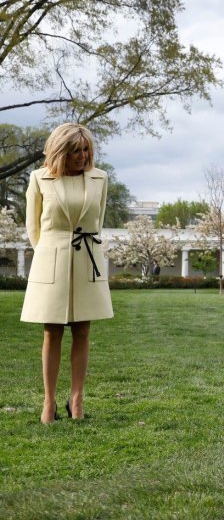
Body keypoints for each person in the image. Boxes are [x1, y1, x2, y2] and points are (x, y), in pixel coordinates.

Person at [21, 123, 114, 423]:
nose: (82, 156)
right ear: (61, 151)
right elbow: (33, 229)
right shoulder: (39, 178)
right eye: (75, 150)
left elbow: (96, 220)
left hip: (87, 257)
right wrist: (51, 252)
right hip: (52, 260)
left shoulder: (100, 179)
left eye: (86, 150)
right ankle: (49, 403)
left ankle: (77, 399)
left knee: (83, 330)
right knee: (52, 332)